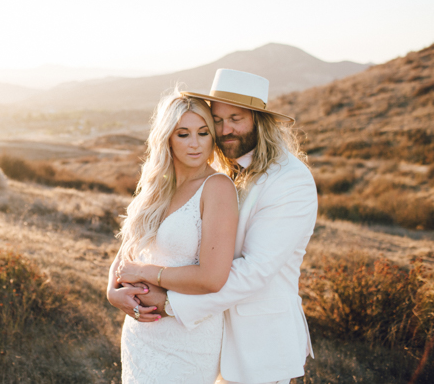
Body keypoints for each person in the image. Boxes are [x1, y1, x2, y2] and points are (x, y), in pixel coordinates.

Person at [117, 68, 318, 384]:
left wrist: (169, 303)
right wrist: (117, 289)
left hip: (257, 346)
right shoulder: (226, 168)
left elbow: (254, 270)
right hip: (205, 336)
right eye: (219, 120)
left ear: (259, 119)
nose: (225, 130)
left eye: (236, 118)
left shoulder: (290, 181)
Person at [106, 90, 240, 383]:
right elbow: (128, 249)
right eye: (183, 134)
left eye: (203, 133)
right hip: (141, 337)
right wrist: (112, 291)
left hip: (186, 341)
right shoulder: (157, 186)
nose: (195, 144)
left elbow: (212, 277)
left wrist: (145, 273)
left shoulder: (217, 188)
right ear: (167, 137)